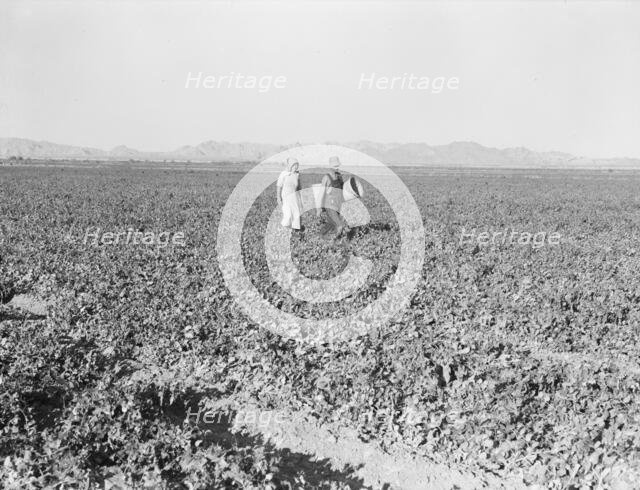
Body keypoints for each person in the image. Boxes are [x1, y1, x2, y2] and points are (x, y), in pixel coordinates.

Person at [319, 156, 347, 239]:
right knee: (340, 225)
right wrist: (319, 208)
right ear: (330, 166)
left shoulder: (340, 177)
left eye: (338, 166)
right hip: (329, 205)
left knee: (332, 225)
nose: (337, 168)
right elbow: (321, 194)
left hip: (338, 204)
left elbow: (342, 191)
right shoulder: (326, 178)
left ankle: (322, 238)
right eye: (335, 166)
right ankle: (336, 240)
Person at [277, 157, 303, 231]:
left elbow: (299, 188)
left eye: (296, 165)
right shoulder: (284, 174)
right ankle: (281, 229)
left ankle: (293, 232)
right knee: (288, 215)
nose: (295, 167)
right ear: (290, 166)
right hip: (286, 197)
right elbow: (279, 186)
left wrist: (300, 200)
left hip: (294, 197)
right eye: (293, 165)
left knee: (296, 214)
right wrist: (278, 198)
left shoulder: (297, 175)